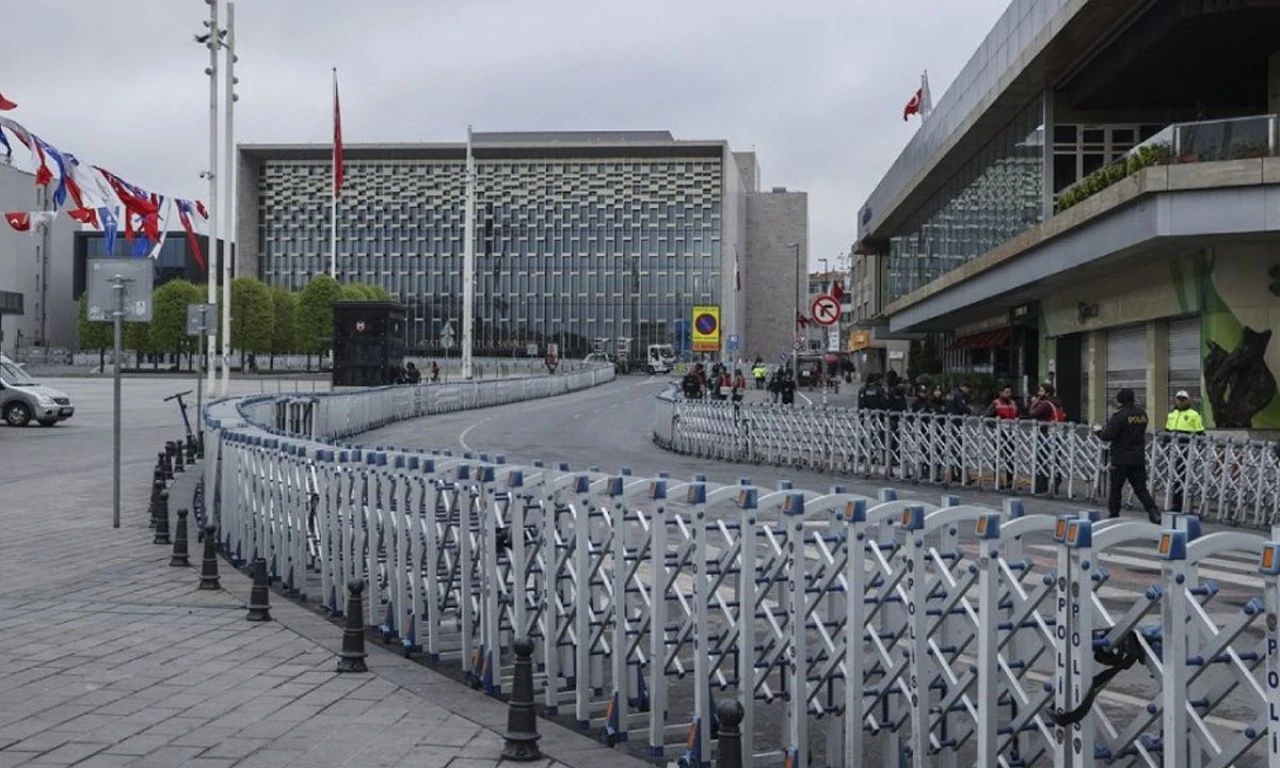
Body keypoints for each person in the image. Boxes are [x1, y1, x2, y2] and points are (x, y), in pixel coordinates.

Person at [1094, 388, 1161, 523]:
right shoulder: (1142, 414)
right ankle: (1153, 511)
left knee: (1116, 488)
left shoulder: (1119, 416)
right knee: (1141, 489)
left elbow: (1108, 436)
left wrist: (1098, 431)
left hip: (1120, 458)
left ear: (1120, 400)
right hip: (1138, 458)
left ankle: (1114, 514)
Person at [1163, 389, 1205, 512]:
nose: (1180, 401)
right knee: (1171, 475)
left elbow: (1200, 432)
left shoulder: (1194, 414)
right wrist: (1164, 444)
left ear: (1188, 400)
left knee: (1182, 476)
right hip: (1172, 448)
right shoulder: (1172, 414)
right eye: (1179, 399)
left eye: (1183, 399)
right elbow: (1167, 431)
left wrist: (1198, 447)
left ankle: (1180, 504)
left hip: (1186, 448)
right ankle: (1171, 502)